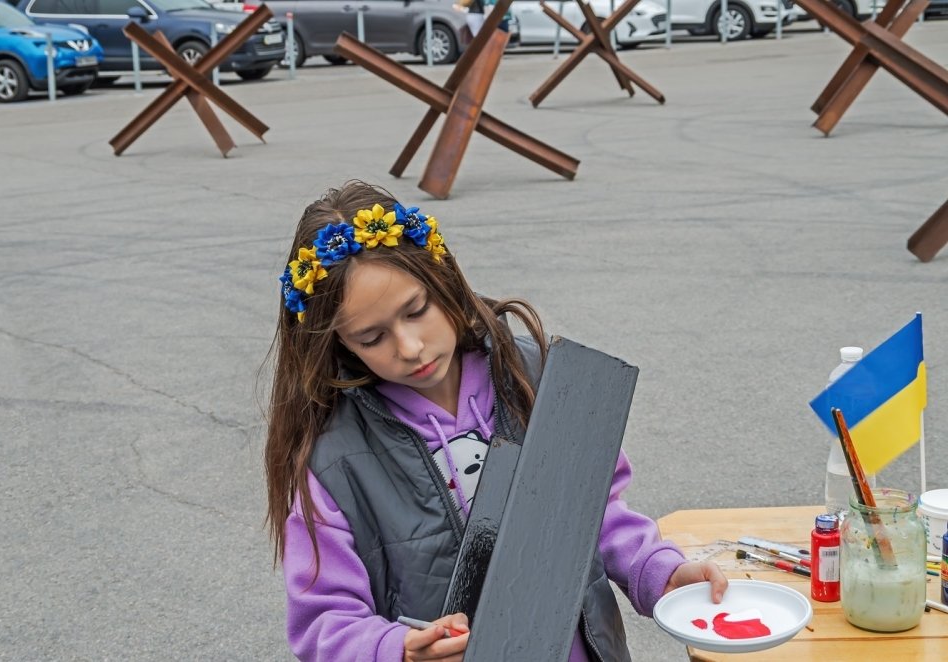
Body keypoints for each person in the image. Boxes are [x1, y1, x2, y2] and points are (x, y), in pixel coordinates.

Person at [265, 180, 728, 662]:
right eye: (372, 337)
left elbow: (596, 511)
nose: (410, 347)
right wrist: (396, 649)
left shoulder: (540, 375)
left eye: (417, 310)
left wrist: (662, 572)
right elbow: (323, 621)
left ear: (442, 276)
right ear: (338, 342)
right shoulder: (332, 461)